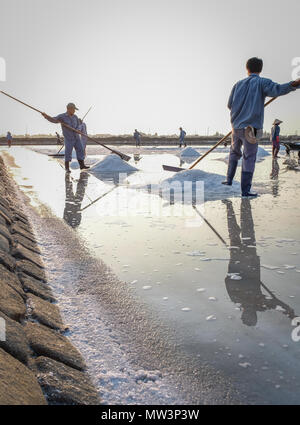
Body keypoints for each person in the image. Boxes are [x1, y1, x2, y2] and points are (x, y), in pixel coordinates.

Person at [223, 57, 300, 197]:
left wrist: (241, 110)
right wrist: (295, 84)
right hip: (252, 128)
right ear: (260, 69)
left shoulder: (237, 84)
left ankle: (228, 180)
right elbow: (278, 89)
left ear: (247, 68)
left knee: (234, 152)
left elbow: (229, 105)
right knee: (249, 157)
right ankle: (245, 190)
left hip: (236, 126)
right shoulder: (262, 82)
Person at [41, 103, 89, 173]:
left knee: (80, 150)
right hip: (69, 138)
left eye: (75, 110)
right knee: (68, 152)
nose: (74, 111)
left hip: (76, 137)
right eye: (73, 109)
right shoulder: (62, 117)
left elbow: (78, 125)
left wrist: (79, 127)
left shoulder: (75, 117)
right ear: (68, 109)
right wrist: (46, 116)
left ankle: (82, 166)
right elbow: (53, 120)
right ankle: (67, 168)